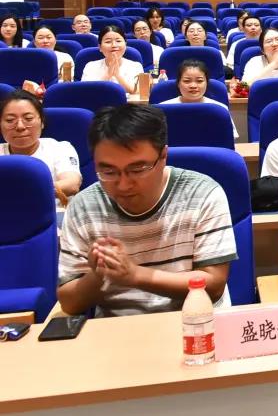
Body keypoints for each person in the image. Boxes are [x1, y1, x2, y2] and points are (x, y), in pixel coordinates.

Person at [57, 104, 237, 317]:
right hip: (117, 328)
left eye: (137, 169)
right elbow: (69, 303)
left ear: (163, 156)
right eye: (108, 171)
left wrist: (135, 275)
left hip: (195, 322)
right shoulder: (84, 207)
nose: (123, 185)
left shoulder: (202, 193)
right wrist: (99, 275)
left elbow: (214, 285)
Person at [0, 90, 81, 207]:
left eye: (28, 118)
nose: (20, 126)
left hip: (55, 214)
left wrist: (18, 192)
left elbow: (72, 184)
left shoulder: (60, 148)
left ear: (42, 122)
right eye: (10, 120)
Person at [160, 60, 238, 139]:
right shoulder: (162, 109)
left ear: (207, 83)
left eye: (199, 81)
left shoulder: (220, 109)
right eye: (187, 81)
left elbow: (229, 139)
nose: (193, 85)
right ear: (178, 83)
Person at [81, 25, 142, 94]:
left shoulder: (136, 66)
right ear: (100, 47)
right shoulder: (90, 66)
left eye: (118, 41)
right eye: (108, 42)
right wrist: (108, 75)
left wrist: (118, 76)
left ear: (125, 45)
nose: (114, 45)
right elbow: (87, 93)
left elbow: (138, 93)